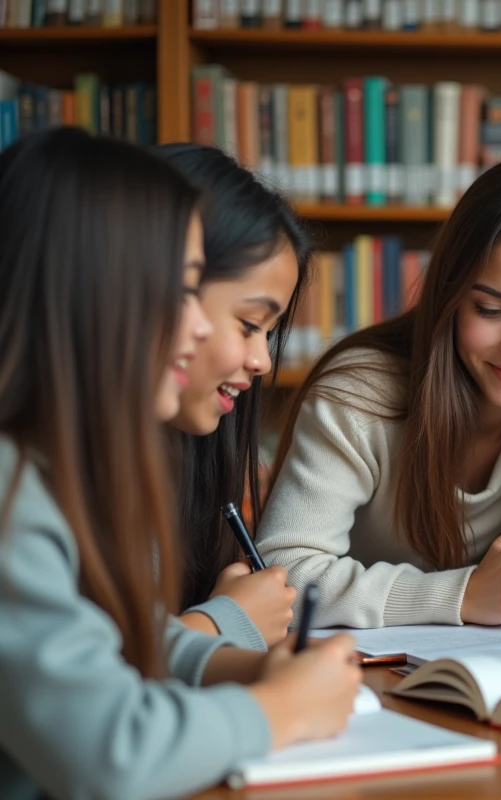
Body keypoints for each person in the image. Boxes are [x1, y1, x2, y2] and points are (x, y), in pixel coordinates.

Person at [0, 128, 360, 800]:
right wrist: (280, 709)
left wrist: (239, 668)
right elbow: (110, 753)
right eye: (179, 292)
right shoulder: (12, 488)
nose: (195, 328)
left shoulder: (50, 468)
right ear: (88, 294)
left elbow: (108, 644)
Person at [256, 157, 501, 628]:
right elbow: (283, 574)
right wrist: (462, 595)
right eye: (490, 309)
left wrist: (499, 596)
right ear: (449, 297)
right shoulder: (357, 395)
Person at [156, 144, 312, 650]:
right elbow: (90, 678)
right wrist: (224, 623)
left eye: (269, 333)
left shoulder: (180, 464)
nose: (263, 361)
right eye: (248, 324)